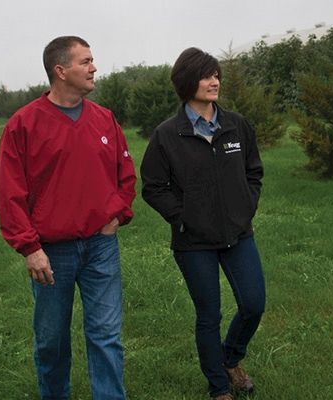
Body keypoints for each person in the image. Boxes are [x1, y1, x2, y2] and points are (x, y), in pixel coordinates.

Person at [0, 35, 136, 400]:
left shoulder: (104, 119)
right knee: (52, 342)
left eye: (92, 60)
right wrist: (29, 248)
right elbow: (10, 193)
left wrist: (118, 214)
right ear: (60, 71)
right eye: (85, 61)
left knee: (106, 336)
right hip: (50, 254)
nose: (94, 68)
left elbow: (125, 173)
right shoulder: (23, 125)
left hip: (100, 247)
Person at [140, 47, 266, 400]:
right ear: (186, 81)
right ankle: (218, 387)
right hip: (193, 241)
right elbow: (153, 187)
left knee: (254, 303)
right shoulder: (167, 135)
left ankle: (230, 358)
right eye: (206, 75)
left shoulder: (236, 125)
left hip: (238, 233)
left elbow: (254, 172)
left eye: (216, 75)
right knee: (208, 314)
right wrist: (183, 218)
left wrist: (246, 206)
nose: (215, 81)